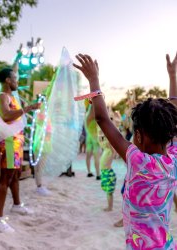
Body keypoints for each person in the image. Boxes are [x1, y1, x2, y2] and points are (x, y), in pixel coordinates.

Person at [74, 53, 177, 249]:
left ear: (138, 136)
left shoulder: (138, 160)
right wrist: (173, 76)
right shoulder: (173, 160)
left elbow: (102, 120)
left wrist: (94, 80)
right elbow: (103, 119)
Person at [0, 68, 40, 233]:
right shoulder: (3, 96)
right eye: (15, 79)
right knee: (6, 177)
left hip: (16, 142)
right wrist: (28, 108)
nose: (17, 82)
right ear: (7, 81)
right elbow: (6, 115)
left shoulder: (11, 96)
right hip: (9, 143)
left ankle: (17, 205)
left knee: (15, 175)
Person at [85, 103, 101, 179]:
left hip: (89, 138)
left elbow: (86, 127)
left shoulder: (87, 116)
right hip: (95, 138)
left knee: (88, 156)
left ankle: (89, 172)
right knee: (96, 157)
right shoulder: (97, 117)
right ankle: (98, 174)